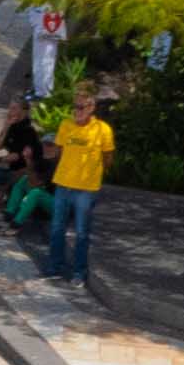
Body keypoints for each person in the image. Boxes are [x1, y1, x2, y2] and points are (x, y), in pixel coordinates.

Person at [45, 100, 117, 281]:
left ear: (91, 108)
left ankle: (79, 272)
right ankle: (54, 266)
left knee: (81, 232)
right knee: (57, 228)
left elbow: (108, 158)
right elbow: (59, 151)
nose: (76, 111)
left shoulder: (103, 129)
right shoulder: (66, 125)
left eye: (81, 107)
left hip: (86, 189)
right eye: (74, 106)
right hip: (63, 185)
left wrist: (93, 172)